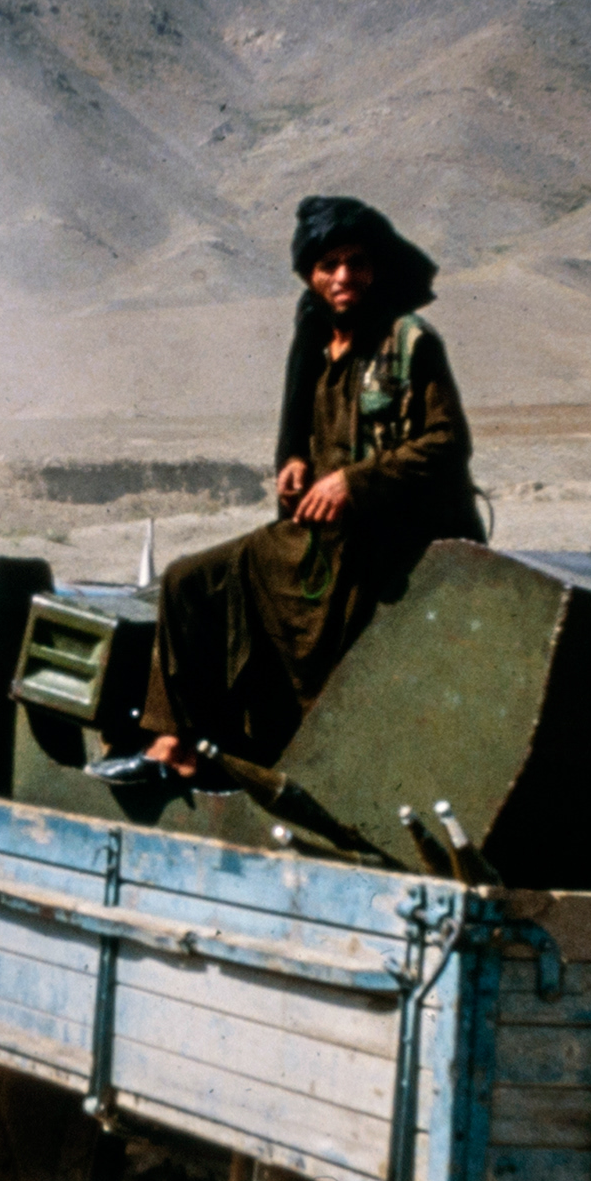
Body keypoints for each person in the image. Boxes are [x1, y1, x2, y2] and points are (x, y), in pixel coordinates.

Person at [122, 195, 479, 779]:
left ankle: (288, 759)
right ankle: (177, 745)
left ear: (375, 267)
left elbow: (446, 442)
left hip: (390, 544)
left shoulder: (407, 342)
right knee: (189, 580)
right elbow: (313, 435)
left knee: (299, 634)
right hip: (322, 539)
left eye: (356, 262)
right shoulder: (318, 349)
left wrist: (353, 483)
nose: (344, 277)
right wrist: (296, 465)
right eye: (329, 264)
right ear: (311, 274)